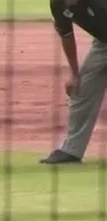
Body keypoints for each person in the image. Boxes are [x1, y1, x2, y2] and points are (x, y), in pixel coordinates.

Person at [41, 0, 107, 164]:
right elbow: (66, 35)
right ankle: (71, 151)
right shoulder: (57, 4)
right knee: (82, 87)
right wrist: (75, 74)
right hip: (103, 43)